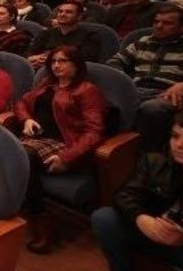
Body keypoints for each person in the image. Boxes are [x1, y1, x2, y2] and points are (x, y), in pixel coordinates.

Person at [91, 104, 183, 271]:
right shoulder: (156, 161)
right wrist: (141, 218)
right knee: (104, 218)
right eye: (175, 136)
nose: (179, 145)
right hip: (157, 232)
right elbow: (124, 195)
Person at [16, 45, 108, 253]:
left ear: (77, 65)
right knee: (2, 148)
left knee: (23, 155)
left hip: (65, 143)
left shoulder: (86, 90)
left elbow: (94, 133)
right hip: (36, 137)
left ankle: (42, 219)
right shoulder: (47, 83)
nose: (56, 65)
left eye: (63, 61)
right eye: (54, 61)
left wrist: (66, 158)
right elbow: (22, 102)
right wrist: (27, 119)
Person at [107, 6, 183, 152]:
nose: (159, 26)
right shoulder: (144, 41)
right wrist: (124, 79)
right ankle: (110, 155)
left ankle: (149, 158)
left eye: (167, 23)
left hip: (169, 93)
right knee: (99, 102)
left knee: (152, 109)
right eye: (156, 22)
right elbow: (114, 62)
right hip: (136, 89)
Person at [27, 0, 102, 68]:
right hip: (42, 71)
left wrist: (50, 59)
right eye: (60, 11)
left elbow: (85, 60)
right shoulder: (46, 33)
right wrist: (32, 58)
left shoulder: (90, 36)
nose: (62, 14)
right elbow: (30, 53)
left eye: (68, 12)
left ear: (79, 16)